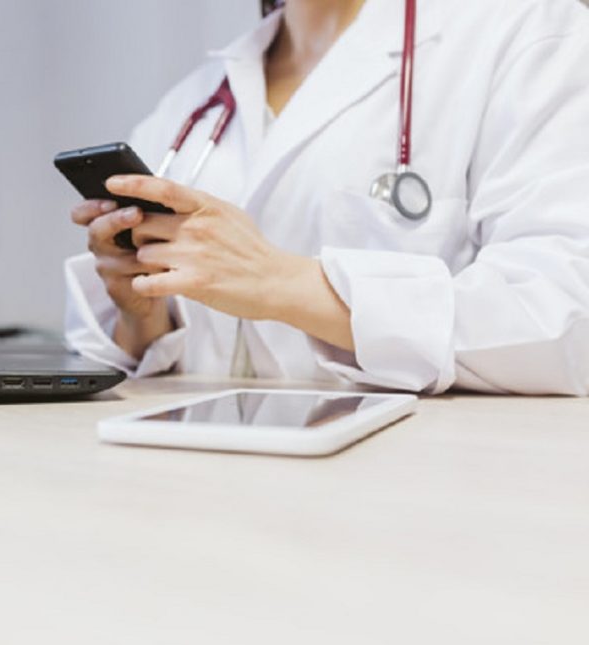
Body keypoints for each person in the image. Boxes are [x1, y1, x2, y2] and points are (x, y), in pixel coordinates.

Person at [63, 0, 589, 395]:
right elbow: (118, 355)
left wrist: (287, 284)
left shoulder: (528, 31)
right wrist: (145, 319)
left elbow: (566, 316)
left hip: (420, 495)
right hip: (206, 489)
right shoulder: (194, 101)